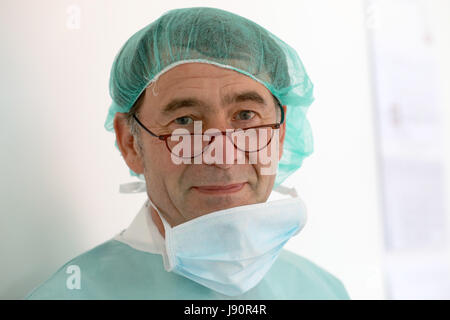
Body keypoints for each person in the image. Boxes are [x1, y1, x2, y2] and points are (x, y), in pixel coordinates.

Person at [26, 7, 350, 299]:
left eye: (246, 116)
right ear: (130, 143)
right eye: (184, 122)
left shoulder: (321, 290)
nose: (223, 157)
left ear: (280, 134)